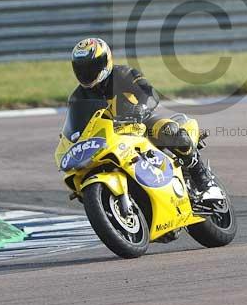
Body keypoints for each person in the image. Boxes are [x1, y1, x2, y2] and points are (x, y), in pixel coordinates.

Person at [67, 37, 218, 196]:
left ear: (106, 61)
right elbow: (75, 124)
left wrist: (140, 108)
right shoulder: (77, 97)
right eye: (81, 69)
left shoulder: (124, 74)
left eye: (92, 67)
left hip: (142, 123)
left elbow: (149, 93)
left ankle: (203, 179)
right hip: (109, 137)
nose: (87, 73)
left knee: (171, 132)